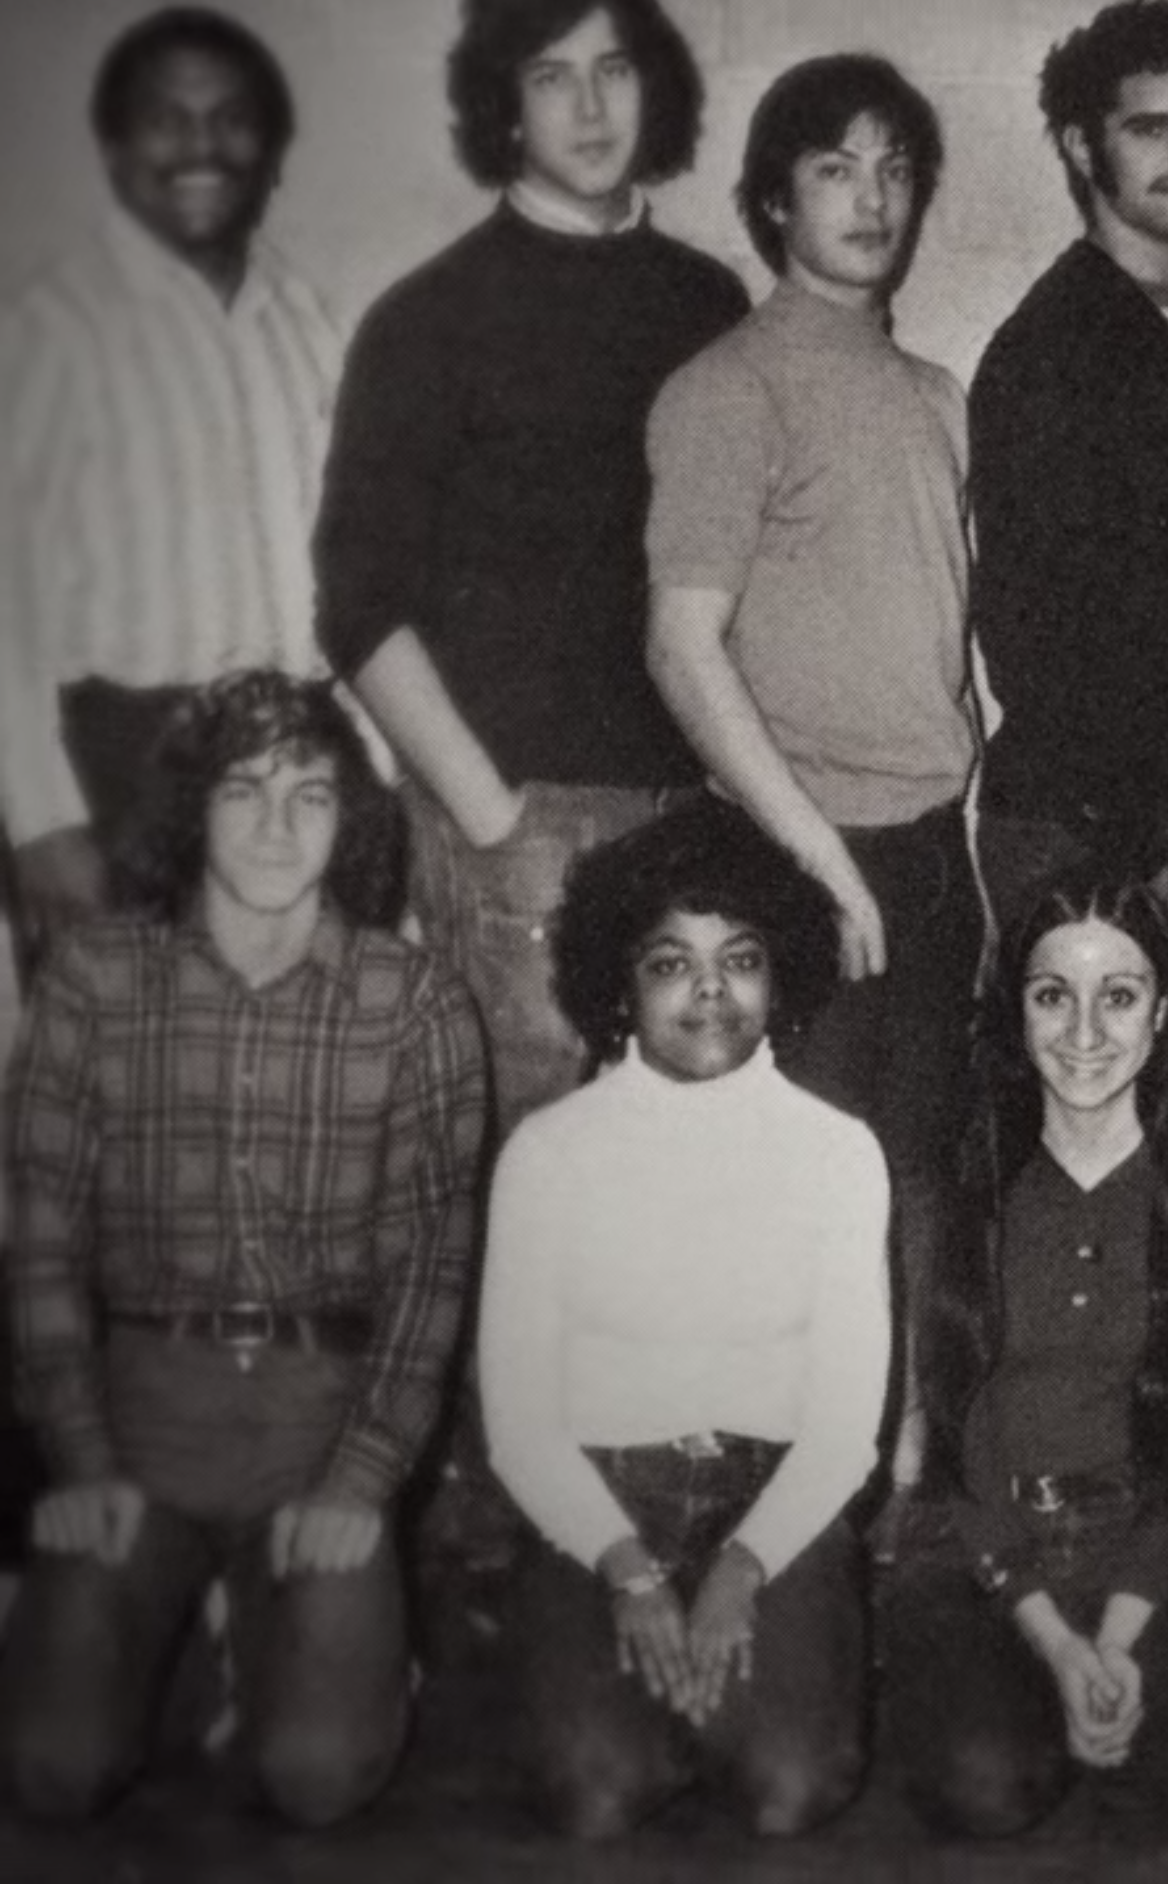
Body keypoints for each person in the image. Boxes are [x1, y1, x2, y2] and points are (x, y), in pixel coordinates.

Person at [1, 672, 484, 1828]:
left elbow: (431, 1272)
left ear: (347, 819)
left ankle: (293, 1639)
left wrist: (363, 1482)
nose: (278, 827)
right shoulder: (95, 979)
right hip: (141, 1417)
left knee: (318, 1776)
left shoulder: (413, 1002)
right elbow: (43, 1238)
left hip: (316, 1431)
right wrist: (79, 1461)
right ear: (192, 809)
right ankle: (185, 1636)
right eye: (245, 791)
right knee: (48, 1769)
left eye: (311, 796)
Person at [320, 0, 744, 1134]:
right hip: (522, 829)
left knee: (673, 1181)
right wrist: (491, 815)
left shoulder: (708, 304)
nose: (593, 105)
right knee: (534, 1182)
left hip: (687, 813)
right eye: (554, 76)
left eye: (614, 68)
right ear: (503, 103)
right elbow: (358, 600)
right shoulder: (430, 317)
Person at [477, 798, 889, 1838]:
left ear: (779, 972)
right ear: (619, 982)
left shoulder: (839, 1154)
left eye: (739, 958)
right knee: (592, 1792)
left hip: (775, 1501)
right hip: (601, 1503)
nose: (710, 991)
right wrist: (625, 1570)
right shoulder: (549, 1153)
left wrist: (742, 1573)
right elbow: (520, 1422)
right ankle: (646, 1706)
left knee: (789, 1788)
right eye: (670, 963)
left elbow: (845, 1427)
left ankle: (723, 1709)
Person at [646, 54, 981, 1322]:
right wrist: (821, 870)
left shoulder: (937, 398)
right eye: (836, 167)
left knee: (917, 1194)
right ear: (775, 200)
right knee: (797, 1214)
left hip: (929, 859)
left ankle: (895, 1488)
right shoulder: (729, 387)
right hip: (801, 857)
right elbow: (682, 648)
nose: (872, 196)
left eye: (895, 167)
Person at [880, 869, 1168, 1841]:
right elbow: (961, 1425)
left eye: (1117, 996)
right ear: (1016, 1012)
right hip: (983, 1549)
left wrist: (1115, 1632)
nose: (1082, 1032)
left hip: (1149, 1541)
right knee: (986, 1792)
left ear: (1161, 1016)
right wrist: (1057, 1644)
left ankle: (1107, 1702)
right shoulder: (968, 1165)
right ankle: (1029, 1700)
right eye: (1051, 995)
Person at [1, 9, 347, 948]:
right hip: (122, 771)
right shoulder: (51, 329)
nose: (201, 144)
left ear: (270, 145)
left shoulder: (302, 321)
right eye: (166, 117)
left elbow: (342, 564)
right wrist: (40, 820)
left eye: (231, 116)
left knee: (277, 1073)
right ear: (115, 148)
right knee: (128, 1080)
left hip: (291, 756)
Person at [970, 0, 1168, 1081]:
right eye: (1151, 128)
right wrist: (1140, 858)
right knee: (1087, 1161)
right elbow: (1034, 636)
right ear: (1084, 147)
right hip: (1089, 826)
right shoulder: (1054, 346)